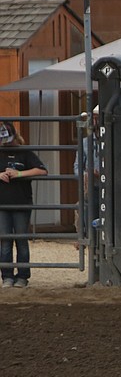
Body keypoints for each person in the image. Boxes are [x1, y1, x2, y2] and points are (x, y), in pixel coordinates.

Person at [0, 121, 47, 288]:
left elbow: (42, 170)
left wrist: (19, 173)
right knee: (5, 241)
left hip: (21, 202)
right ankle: (7, 276)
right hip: (2, 204)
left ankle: (22, 276)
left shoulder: (24, 152)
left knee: (21, 240)